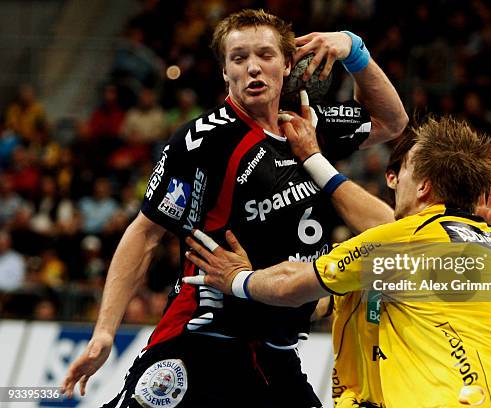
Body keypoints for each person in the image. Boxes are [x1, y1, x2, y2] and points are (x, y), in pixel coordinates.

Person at [61, 8, 407, 408]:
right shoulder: (203, 141)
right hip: (204, 340)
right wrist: (105, 332)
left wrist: (353, 49)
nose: (253, 69)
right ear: (225, 72)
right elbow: (145, 232)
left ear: (288, 64)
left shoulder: (309, 125)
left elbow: (391, 121)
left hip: (276, 355)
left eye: (265, 55)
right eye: (239, 59)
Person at [185, 116, 491, 407]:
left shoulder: (405, 240)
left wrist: (238, 278)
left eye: (403, 173)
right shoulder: (487, 248)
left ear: (423, 186)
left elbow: (291, 283)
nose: (394, 183)